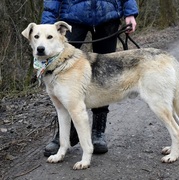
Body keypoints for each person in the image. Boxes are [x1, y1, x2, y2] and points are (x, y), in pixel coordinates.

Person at [41, 0, 139, 157]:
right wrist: (47, 26)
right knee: (63, 79)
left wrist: (130, 12)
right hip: (72, 16)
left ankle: (98, 132)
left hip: (107, 15)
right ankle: (64, 135)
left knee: (105, 78)